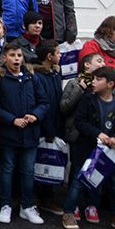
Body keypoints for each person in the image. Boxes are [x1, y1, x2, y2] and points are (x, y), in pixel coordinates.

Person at [60, 67, 115, 229]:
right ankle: (68, 212)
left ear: (110, 84)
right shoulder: (88, 100)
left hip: (111, 153)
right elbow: (79, 122)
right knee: (78, 180)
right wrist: (97, 133)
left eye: (97, 79)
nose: (92, 82)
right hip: (87, 148)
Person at [0, 43, 48, 225]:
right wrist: (11, 120)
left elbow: (44, 102)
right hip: (9, 133)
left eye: (19, 55)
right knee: (7, 170)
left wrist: (35, 115)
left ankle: (27, 206)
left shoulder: (32, 77)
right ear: (4, 58)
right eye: (12, 55)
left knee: (28, 171)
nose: (17, 59)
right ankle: (6, 205)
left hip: (30, 134)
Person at [60, 52, 105, 222]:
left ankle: (92, 204)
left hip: (98, 135)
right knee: (78, 168)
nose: (103, 63)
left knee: (95, 169)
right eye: (98, 60)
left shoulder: (104, 84)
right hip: (77, 134)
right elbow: (64, 107)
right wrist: (80, 88)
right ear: (87, 65)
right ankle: (74, 203)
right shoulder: (73, 83)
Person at [32, 40, 66, 216]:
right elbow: (42, 103)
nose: (61, 56)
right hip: (44, 128)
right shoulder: (38, 77)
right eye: (58, 53)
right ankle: (40, 198)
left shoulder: (55, 74)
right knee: (41, 163)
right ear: (49, 56)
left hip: (55, 123)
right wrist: (49, 130)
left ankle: (47, 197)